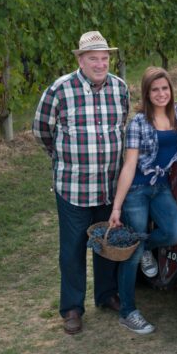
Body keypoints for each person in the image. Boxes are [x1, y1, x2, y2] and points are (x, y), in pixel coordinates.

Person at [33, 31, 129, 335]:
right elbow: (42, 131)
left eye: (104, 58)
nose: (100, 64)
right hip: (73, 188)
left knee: (105, 243)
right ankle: (72, 307)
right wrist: (63, 158)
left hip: (109, 186)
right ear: (80, 60)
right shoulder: (60, 90)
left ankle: (106, 295)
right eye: (93, 58)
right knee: (72, 250)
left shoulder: (120, 88)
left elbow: (121, 127)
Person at [107, 67, 177, 334]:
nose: (161, 94)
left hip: (161, 186)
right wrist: (117, 206)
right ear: (147, 94)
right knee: (132, 252)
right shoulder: (138, 122)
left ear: (170, 89)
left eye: (165, 88)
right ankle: (127, 311)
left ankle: (146, 247)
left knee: (175, 232)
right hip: (138, 188)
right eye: (155, 90)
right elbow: (129, 166)